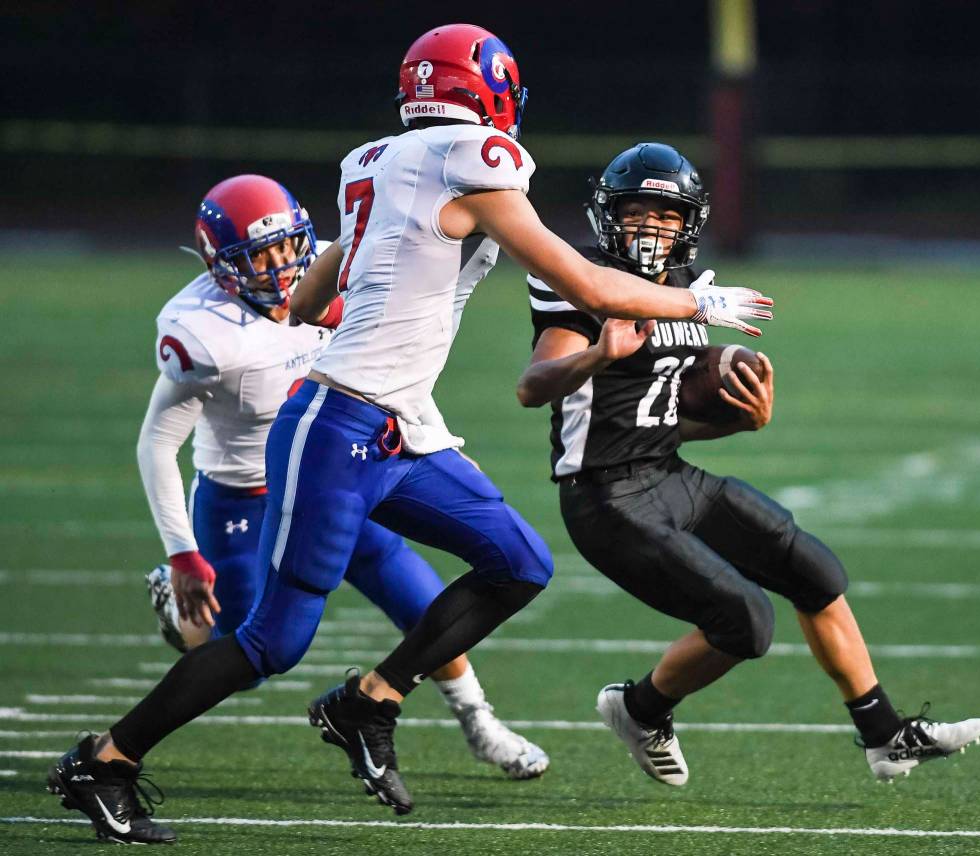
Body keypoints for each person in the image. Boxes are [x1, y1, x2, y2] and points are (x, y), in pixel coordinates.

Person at [47, 26, 772, 843]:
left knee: (518, 563)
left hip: (398, 424)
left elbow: (307, 297)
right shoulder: (475, 159)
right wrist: (704, 303)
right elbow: (586, 281)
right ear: (489, 93)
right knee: (271, 642)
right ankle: (104, 762)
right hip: (341, 422)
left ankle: (371, 701)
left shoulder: (375, 161)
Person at [516, 141, 980, 788]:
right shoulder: (584, 279)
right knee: (745, 622)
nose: (652, 226)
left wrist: (739, 420)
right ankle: (638, 710)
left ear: (690, 224)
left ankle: (885, 735)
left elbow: (658, 418)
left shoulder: (686, 288)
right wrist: (596, 356)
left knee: (813, 570)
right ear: (610, 213)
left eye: (667, 215)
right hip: (605, 498)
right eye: (638, 211)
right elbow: (534, 384)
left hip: (666, 472)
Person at [136, 173, 549, 785]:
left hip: (338, 471)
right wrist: (182, 554)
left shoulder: (341, 266)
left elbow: (386, 377)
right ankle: (182, 613)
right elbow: (157, 443)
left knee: (424, 604)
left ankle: (481, 724)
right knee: (251, 655)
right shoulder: (203, 333)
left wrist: (439, 446)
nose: (281, 267)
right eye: (261, 255)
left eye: (287, 247)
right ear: (219, 261)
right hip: (243, 496)